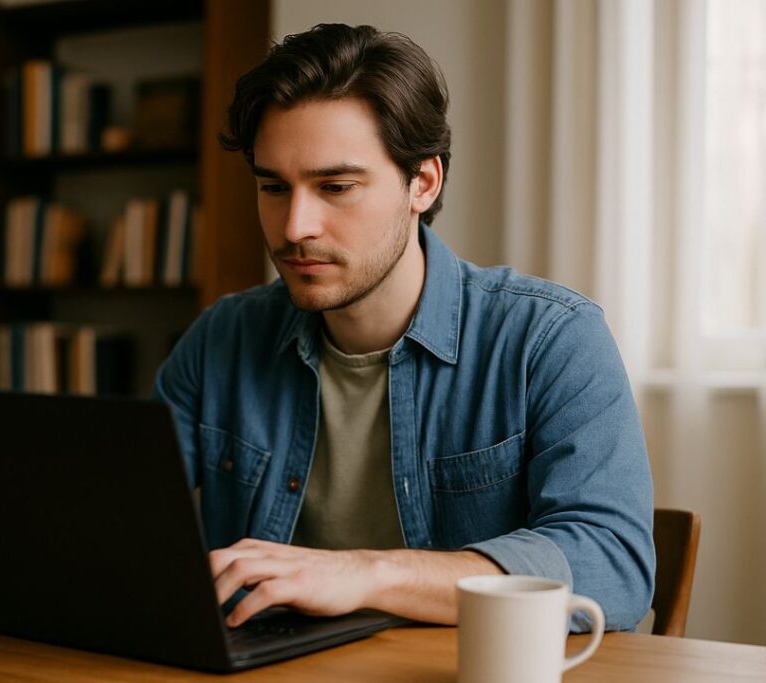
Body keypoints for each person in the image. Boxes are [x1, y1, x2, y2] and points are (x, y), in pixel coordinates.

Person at [153, 23, 654, 632]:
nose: (294, 227)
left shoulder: (550, 339)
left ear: (422, 182)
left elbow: (613, 567)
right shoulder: (221, 339)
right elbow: (123, 524)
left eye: (335, 186)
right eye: (273, 187)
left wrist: (370, 573)